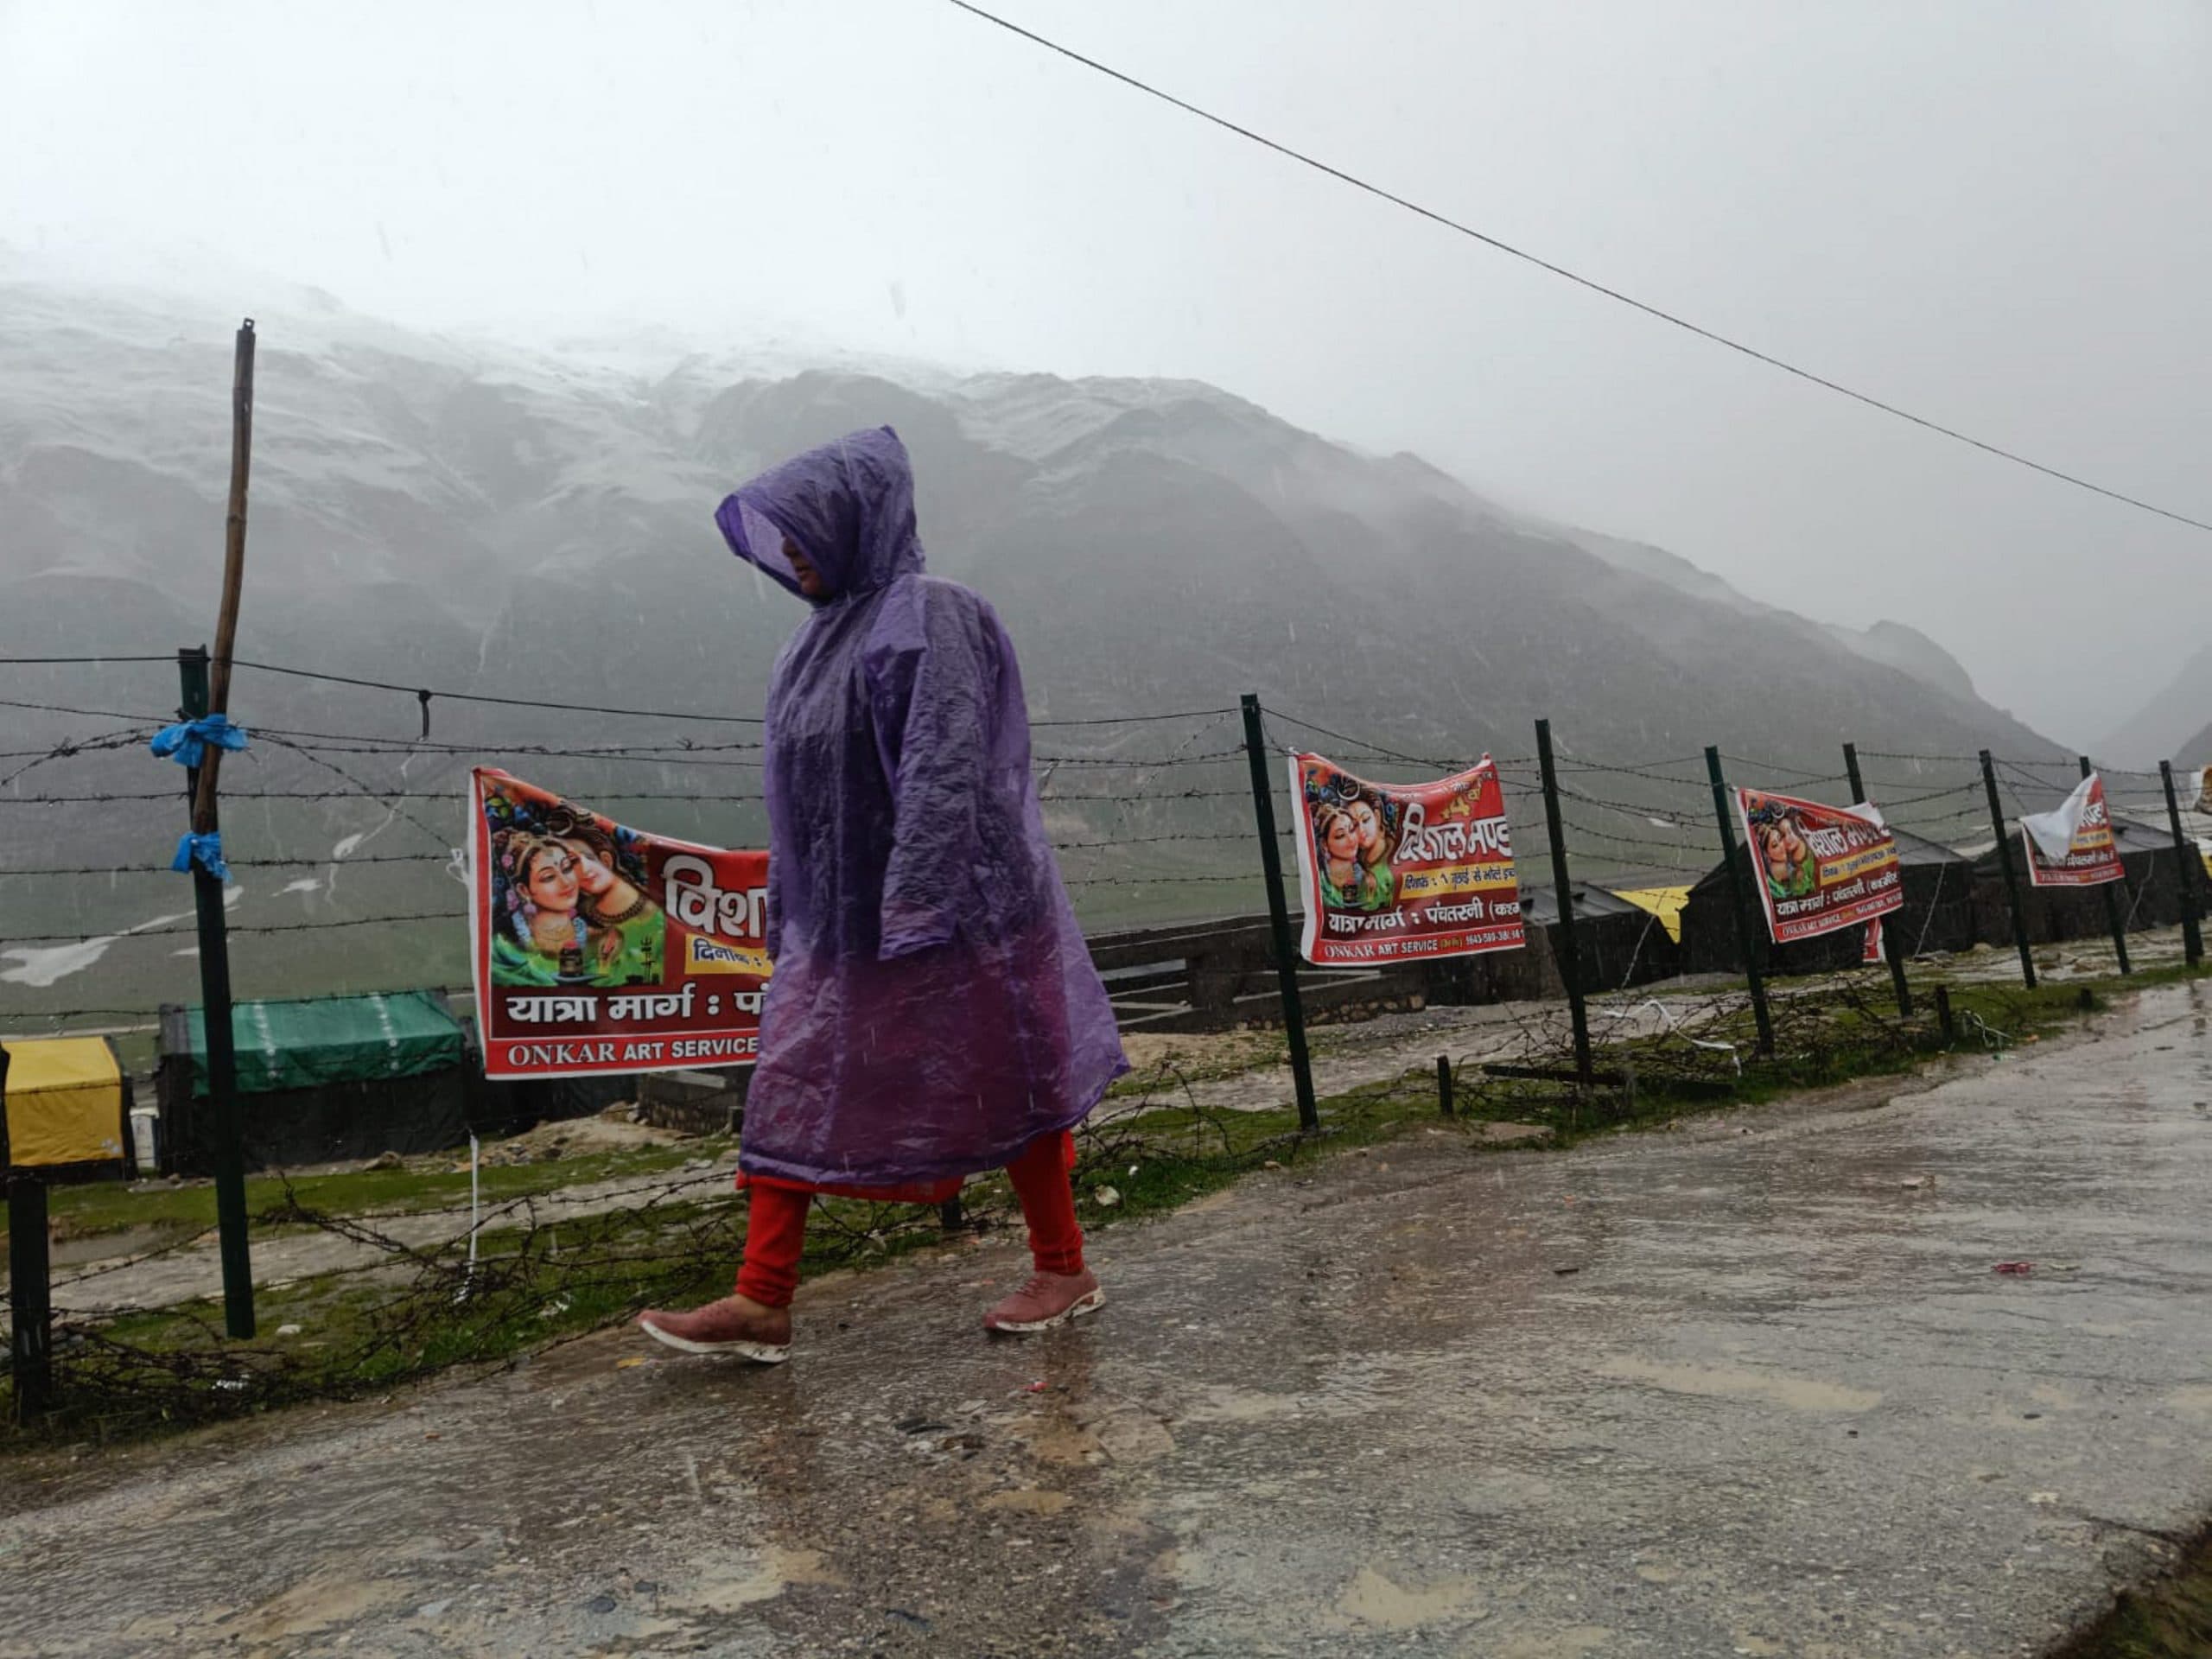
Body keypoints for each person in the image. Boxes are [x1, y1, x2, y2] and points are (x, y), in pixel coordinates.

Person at [638, 426, 1128, 1364]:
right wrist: (793, 910)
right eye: (779, 538)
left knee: (1011, 1079)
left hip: (970, 914)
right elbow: (797, 801)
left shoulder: (932, 615)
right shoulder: (808, 648)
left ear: (854, 519)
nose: (789, 555)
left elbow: (948, 765)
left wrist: (921, 902)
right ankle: (760, 1299)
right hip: (845, 930)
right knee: (793, 1082)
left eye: (802, 531)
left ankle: (1062, 1267)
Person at [488, 829, 592, 984]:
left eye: (567, 868)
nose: (566, 882)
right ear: (524, 890)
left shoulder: (597, 934)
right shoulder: (503, 942)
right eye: (549, 877)